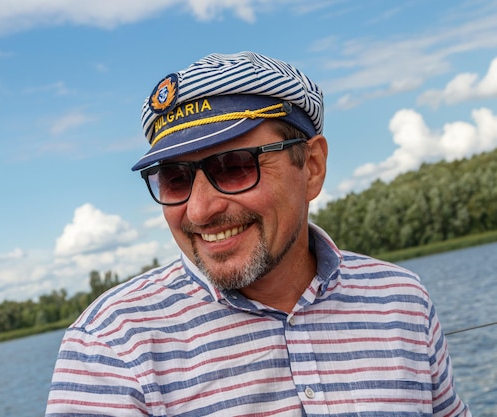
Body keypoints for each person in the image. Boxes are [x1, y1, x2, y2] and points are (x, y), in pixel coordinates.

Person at [45, 51, 471, 416]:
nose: (199, 209)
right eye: (175, 178)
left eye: (234, 166)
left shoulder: (402, 300)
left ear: (313, 166)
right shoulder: (112, 347)